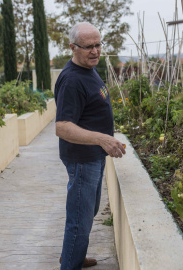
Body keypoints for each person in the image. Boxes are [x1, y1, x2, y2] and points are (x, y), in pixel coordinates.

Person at [54, 22, 126, 270]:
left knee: (87, 211)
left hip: (92, 157)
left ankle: (73, 253)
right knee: (79, 219)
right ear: (73, 47)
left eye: (98, 45)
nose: (95, 51)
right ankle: (71, 263)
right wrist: (101, 138)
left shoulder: (88, 69)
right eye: (88, 47)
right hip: (83, 159)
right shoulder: (72, 80)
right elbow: (62, 126)